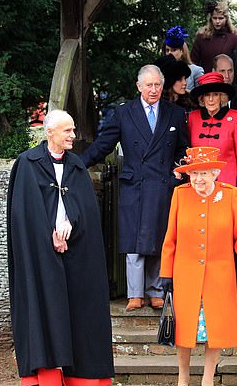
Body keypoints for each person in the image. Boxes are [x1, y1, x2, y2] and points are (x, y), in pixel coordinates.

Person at [7, 110, 114, 386]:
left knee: (80, 306)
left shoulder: (77, 165)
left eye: (73, 130)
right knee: (45, 306)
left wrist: (70, 225)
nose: (72, 136)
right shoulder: (28, 164)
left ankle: (82, 377)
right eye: (67, 131)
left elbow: (86, 208)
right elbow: (24, 213)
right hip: (40, 253)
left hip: (76, 249)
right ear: (50, 132)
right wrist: (48, 236)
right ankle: (47, 378)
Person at [80, 65, 189, 311]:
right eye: (148, 85)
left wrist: (177, 171)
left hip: (163, 183)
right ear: (139, 87)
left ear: (163, 86)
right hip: (135, 185)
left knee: (160, 238)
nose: (153, 90)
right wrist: (78, 163)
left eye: (157, 85)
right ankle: (135, 293)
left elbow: (184, 149)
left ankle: (156, 291)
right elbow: (103, 144)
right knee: (134, 239)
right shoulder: (124, 113)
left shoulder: (175, 113)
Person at [161, 146, 237, 386]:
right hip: (185, 274)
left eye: (203, 173)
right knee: (185, 330)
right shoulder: (180, 194)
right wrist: (166, 273)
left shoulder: (230, 195)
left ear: (215, 173)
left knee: (214, 329)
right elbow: (171, 237)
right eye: (193, 174)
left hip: (219, 274)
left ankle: (208, 382)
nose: (198, 180)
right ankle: (182, 380)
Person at [188, 72, 237, 187]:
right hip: (199, 181)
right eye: (207, 95)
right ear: (202, 98)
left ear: (222, 97)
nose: (211, 99)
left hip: (226, 180)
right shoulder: (192, 117)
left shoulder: (236, 117)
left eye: (215, 94)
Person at [191, 1, 237, 74]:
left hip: (226, 80)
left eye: (221, 18)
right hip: (205, 80)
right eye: (214, 18)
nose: (217, 21)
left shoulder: (234, 39)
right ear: (210, 18)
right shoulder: (202, 37)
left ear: (226, 19)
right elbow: (193, 62)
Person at [163, 26, 204, 91]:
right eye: (167, 50)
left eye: (174, 50)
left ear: (182, 51)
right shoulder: (162, 71)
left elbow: (201, 95)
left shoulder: (196, 71)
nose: (169, 53)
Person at [155, 55, 196, 119]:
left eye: (185, 78)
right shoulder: (159, 105)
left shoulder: (190, 101)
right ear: (170, 82)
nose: (184, 83)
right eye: (180, 80)